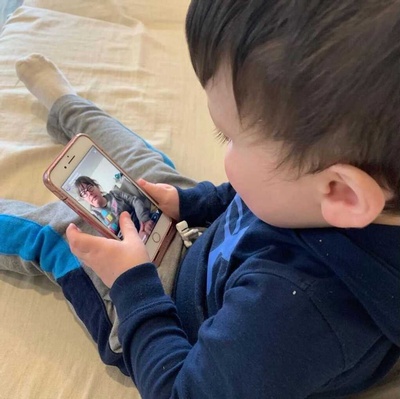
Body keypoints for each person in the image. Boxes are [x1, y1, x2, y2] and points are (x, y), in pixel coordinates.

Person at [1, 1, 399, 398]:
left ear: (342, 193)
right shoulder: (321, 198)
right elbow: (245, 200)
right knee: (137, 167)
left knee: (61, 230)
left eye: (230, 139)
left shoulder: (290, 316)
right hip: (203, 242)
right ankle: (69, 107)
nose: (225, 159)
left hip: (163, 316)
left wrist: (132, 283)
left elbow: (179, 390)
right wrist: (190, 203)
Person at [74, 176, 156, 239]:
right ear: (84, 199)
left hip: (142, 221)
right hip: (130, 241)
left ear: (97, 187)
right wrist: (135, 239)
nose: (89, 193)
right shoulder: (93, 217)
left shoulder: (115, 193)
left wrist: (144, 220)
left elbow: (135, 201)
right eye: (84, 193)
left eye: (89, 187)